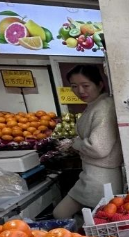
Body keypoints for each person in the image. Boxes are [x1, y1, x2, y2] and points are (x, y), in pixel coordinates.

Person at [53, 64, 123, 219]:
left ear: (100, 84)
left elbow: (98, 148)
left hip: (100, 178)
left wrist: (76, 143)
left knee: (61, 214)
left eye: (85, 85)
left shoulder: (104, 107)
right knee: (85, 220)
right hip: (92, 174)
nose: (80, 91)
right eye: (74, 86)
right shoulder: (95, 106)